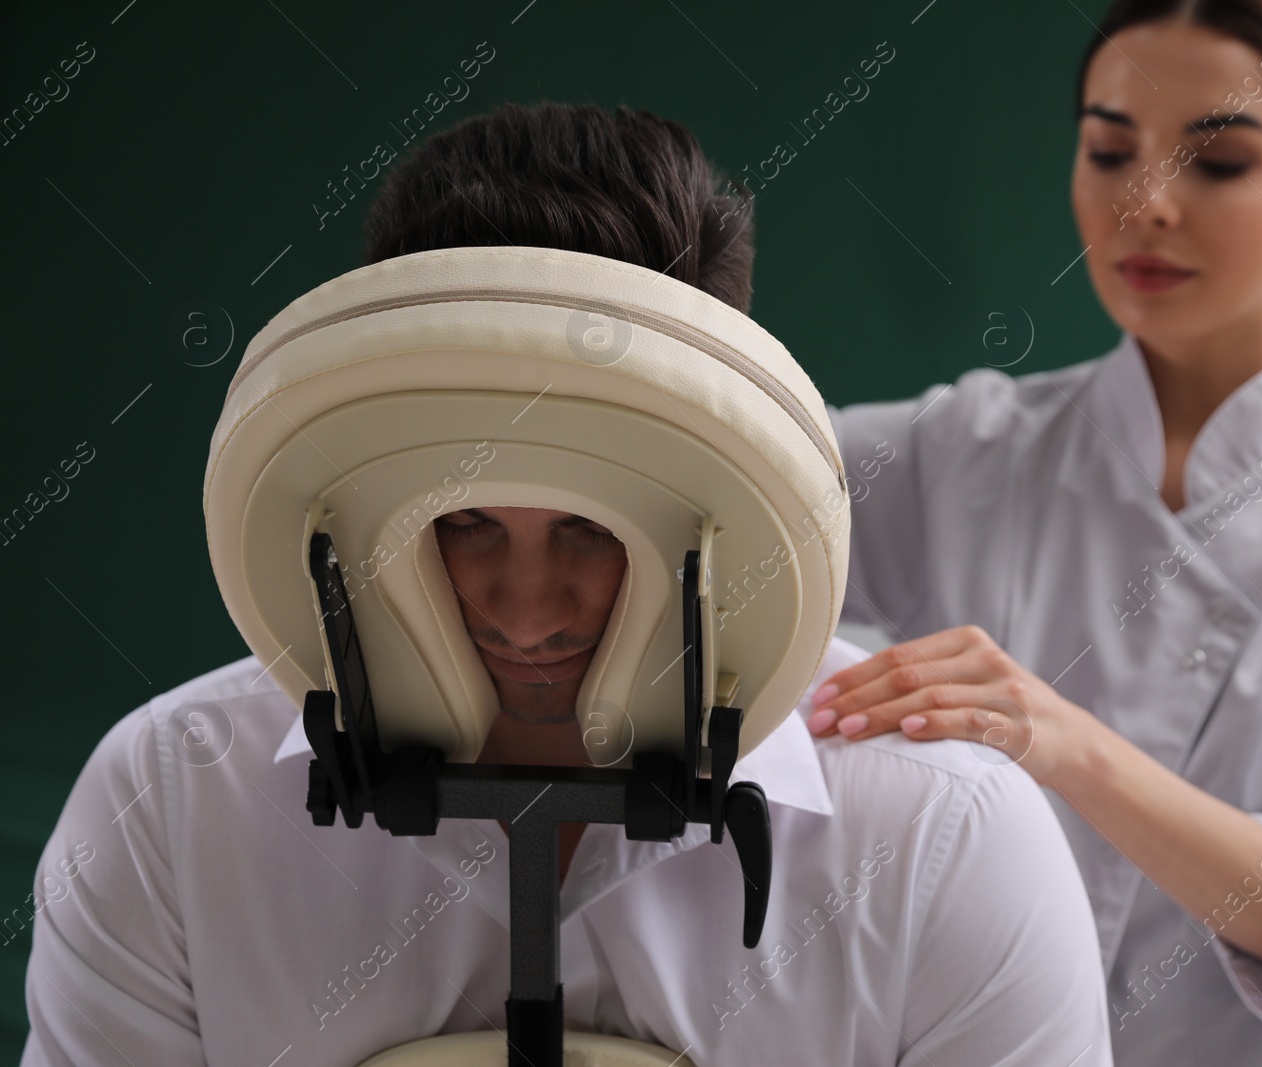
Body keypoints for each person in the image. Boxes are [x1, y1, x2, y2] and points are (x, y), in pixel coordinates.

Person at [20, 101, 1113, 1067]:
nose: (527, 607)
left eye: (594, 528)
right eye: (465, 522)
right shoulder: (172, 801)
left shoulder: (937, 837)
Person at [806, 2, 1262, 1064]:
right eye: (1111, 150)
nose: (1144, 204)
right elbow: (726, 494)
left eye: (1218, 163)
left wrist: (1067, 744)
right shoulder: (962, 446)